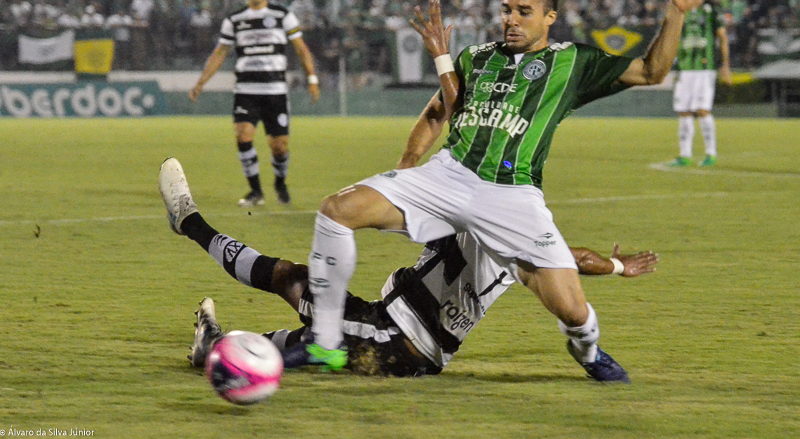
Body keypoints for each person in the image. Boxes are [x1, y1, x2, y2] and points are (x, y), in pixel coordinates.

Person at [293, 0, 707, 381]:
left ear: (550, 16)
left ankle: (588, 351)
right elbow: (438, 113)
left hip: (511, 195)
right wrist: (405, 171)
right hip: (449, 174)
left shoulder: (572, 62)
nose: (511, 19)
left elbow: (652, 71)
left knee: (572, 310)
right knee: (336, 210)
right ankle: (325, 342)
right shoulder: (476, 58)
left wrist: (677, 11)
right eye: (507, 9)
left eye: (524, 11)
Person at [157, 158, 657, 377]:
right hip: (393, 330)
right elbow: (575, 259)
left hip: (401, 343)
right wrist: (616, 266)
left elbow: (572, 261)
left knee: (294, 285)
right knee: (299, 317)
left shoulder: (477, 216)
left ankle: (191, 225)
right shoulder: (517, 240)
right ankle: (214, 347)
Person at [189, 0, 320, 206]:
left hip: (275, 92)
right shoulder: (235, 19)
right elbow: (220, 53)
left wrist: (312, 79)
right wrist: (201, 83)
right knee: (243, 135)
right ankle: (255, 191)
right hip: (246, 91)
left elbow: (301, 50)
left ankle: (280, 182)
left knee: (279, 147)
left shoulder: (282, 15)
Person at [669, 0, 732, 167]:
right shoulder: (681, 13)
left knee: (702, 110)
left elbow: (722, 36)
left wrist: (725, 64)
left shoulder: (710, 12)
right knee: (684, 111)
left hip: (705, 70)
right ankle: (685, 155)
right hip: (685, 69)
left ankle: (711, 153)